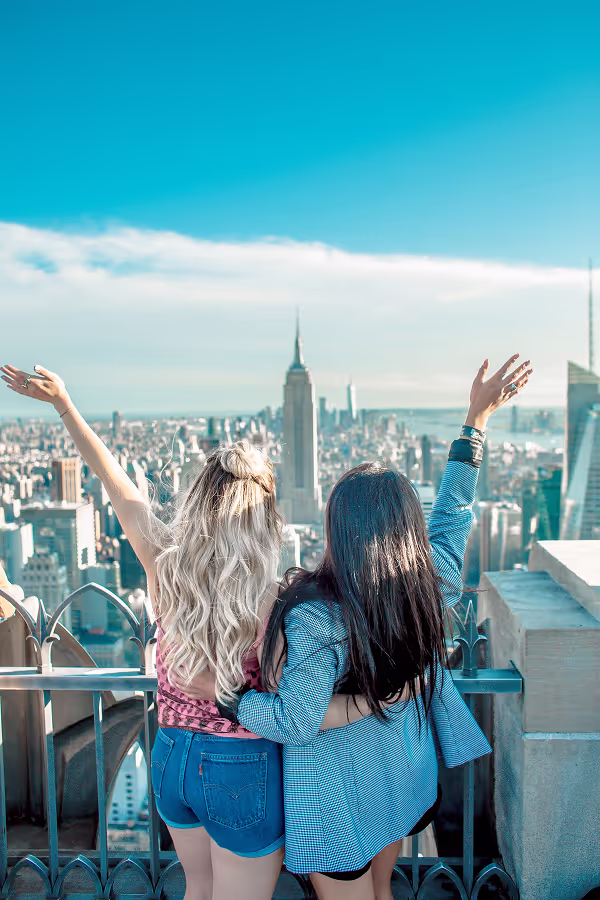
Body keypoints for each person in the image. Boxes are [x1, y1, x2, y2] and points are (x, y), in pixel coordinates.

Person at [1, 361, 374, 900]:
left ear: (200, 502)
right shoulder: (280, 598)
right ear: (264, 514)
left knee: (197, 888)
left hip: (172, 755)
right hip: (240, 764)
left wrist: (65, 405)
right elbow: (296, 708)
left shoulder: (166, 565)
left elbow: (118, 487)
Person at [179, 354, 533, 900]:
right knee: (384, 891)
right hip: (403, 781)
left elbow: (294, 723)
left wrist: (226, 699)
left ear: (337, 530)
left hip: (339, 798)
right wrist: (475, 422)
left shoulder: (315, 615)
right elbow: (454, 511)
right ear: (406, 528)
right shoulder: (430, 583)